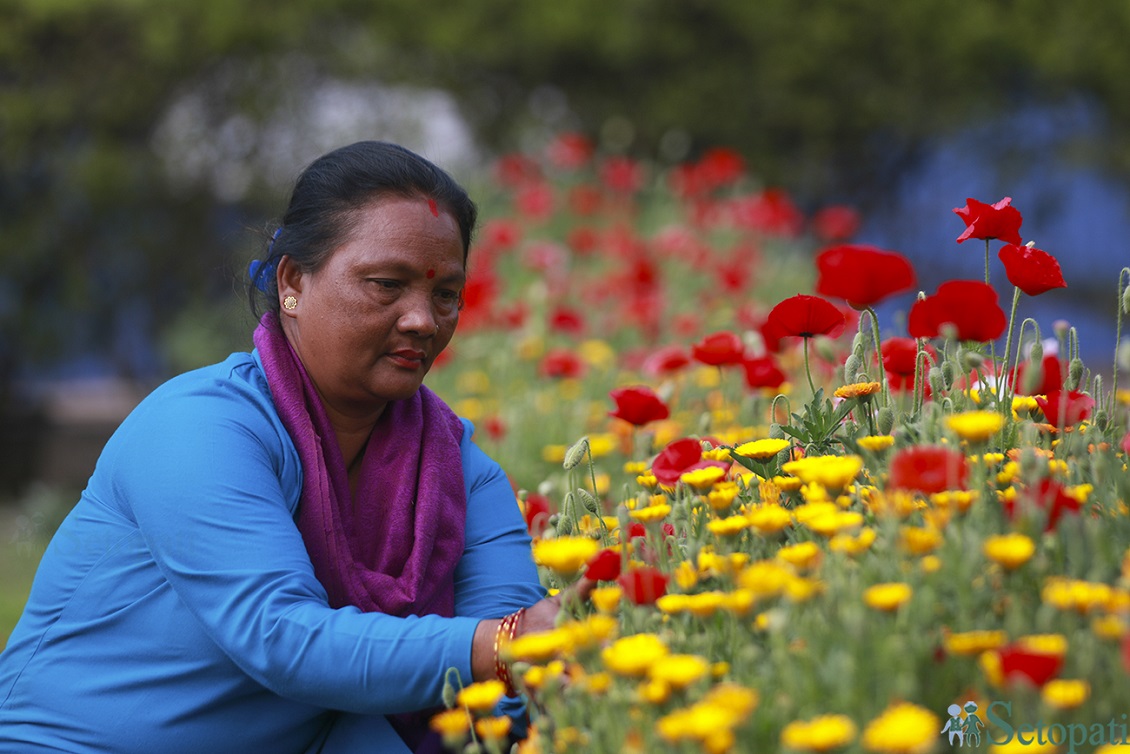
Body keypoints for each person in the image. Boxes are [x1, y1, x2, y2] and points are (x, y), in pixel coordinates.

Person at [0, 141, 582, 753]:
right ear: (293, 282)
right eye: (387, 284)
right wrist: (502, 646)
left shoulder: (459, 471)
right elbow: (280, 635)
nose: (422, 321)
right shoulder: (201, 428)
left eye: (445, 295)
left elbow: (498, 694)